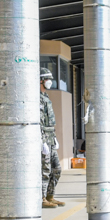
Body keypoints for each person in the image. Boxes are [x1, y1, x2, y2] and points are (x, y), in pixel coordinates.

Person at [39, 69, 64, 208]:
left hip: (50, 138)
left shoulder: (46, 97)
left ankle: (50, 195)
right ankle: (41, 198)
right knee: (45, 170)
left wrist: (53, 138)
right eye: (48, 79)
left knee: (56, 169)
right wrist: (42, 141)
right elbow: (38, 122)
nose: (50, 81)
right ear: (41, 80)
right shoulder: (36, 98)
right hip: (42, 139)